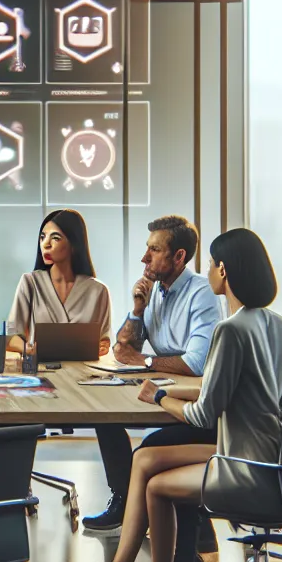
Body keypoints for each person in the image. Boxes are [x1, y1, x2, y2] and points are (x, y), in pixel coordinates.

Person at [70, 228, 282, 562]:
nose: (207, 271)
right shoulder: (277, 325)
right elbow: (230, 389)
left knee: (154, 483)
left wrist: (159, 396)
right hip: (269, 452)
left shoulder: (231, 330)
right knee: (144, 461)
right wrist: (171, 391)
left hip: (241, 463)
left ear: (223, 271)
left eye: (211, 264)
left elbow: (205, 411)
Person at [83, 215, 221, 534]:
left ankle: (146, 516)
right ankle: (123, 501)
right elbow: (121, 349)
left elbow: (196, 363)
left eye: (154, 250)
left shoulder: (201, 292)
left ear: (179, 256)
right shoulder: (154, 290)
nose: (144, 258)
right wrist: (136, 309)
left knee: (151, 446)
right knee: (105, 416)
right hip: (165, 390)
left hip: (194, 403)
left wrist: (145, 362)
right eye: (147, 249)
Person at [6, 209, 112, 356]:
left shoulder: (98, 291)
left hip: (85, 372)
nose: (46, 244)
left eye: (55, 238)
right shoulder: (30, 283)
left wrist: (102, 347)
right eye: (42, 237)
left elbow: (104, 340)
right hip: (41, 370)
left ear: (74, 244)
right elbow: (10, 336)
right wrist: (30, 349)